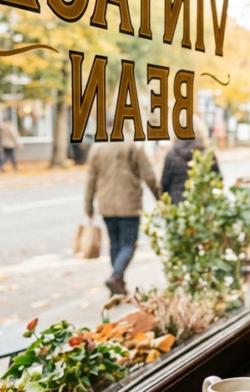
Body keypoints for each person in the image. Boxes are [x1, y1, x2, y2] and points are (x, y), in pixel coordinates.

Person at [85, 121, 162, 296]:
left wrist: (88, 206)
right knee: (129, 244)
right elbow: (149, 177)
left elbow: (90, 181)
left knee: (115, 243)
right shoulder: (133, 147)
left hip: (106, 205)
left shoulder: (97, 149)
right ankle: (116, 276)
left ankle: (118, 282)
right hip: (129, 205)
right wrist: (160, 198)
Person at [160, 118, 218, 204]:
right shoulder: (207, 153)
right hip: (201, 205)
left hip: (177, 206)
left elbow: (164, 184)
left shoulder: (172, 154)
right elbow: (217, 179)